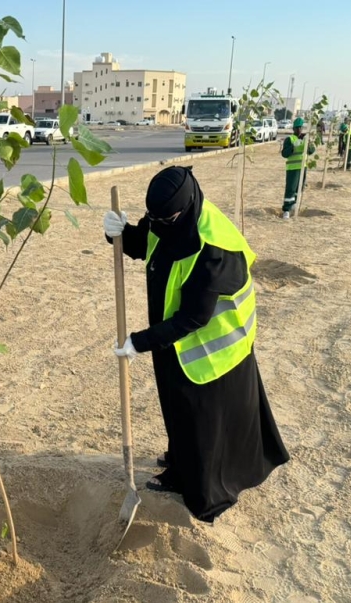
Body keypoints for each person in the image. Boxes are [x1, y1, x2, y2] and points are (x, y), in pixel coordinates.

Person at [103, 166, 290, 524]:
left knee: (202, 420)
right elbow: (149, 244)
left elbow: (193, 318)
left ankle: (202, 489)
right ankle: (179, 459)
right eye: (153, 217)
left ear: (186, 206)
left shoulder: (214, 250)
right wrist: (121, 234)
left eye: (166, 218)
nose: (158, 223)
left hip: (214, 348)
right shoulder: (169, 217)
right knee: (177, 409)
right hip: (173, 340)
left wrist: (138, 342)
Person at [280, 117, 317, 219]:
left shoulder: (305, 138)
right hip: (292, 168)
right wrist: (292, 147)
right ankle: (286, 209)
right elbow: (284, 154)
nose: (299, 130)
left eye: (300, 128)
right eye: (297, 128)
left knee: (299, 187)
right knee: (290, 189)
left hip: (303, 167)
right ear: (294, 129)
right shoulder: (290, 139)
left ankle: (294, 204)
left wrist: (308, 143)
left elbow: (311, 151)